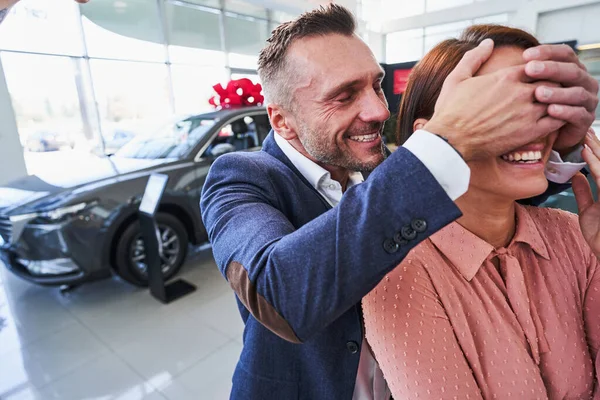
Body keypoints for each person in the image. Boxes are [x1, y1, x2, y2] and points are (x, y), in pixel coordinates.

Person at [200, 5, 599, 400]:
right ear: (282, 120)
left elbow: (473, 200)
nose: (378, 110)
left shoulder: (383, 167)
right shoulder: (240, 177)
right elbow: (278, 294)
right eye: (343, 96)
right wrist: (447, 141)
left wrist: (548, 146)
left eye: (376, 84)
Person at [362, 24, 600, 399]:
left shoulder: (576, 234)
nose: (533, 129)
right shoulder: (400, 272)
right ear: (432, 136)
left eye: (539, 104)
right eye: (499, 109)